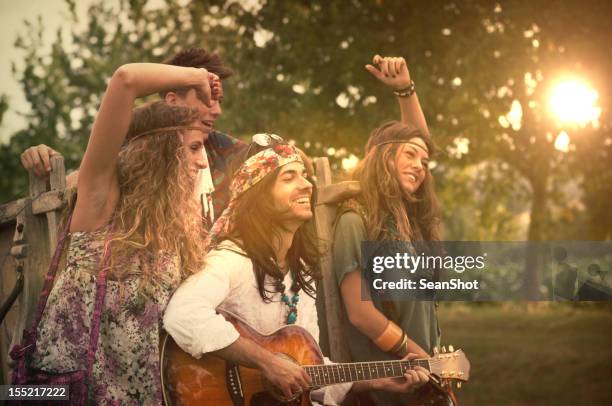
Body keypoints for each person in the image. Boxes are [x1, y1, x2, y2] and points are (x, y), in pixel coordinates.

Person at [163, 135, 430, 405]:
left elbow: (308, 369)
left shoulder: (297, 272)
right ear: (258, 193)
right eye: (289, 177)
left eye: (304, 175)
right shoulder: (231, 259)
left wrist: (380, 380)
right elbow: (182, 315)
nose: (306, 185)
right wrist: (266, 361)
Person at [27, 62, 217, 403]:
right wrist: (197, 77)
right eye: (193, 147)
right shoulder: (101, 202)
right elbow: (125, 80)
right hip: (64, 395)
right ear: (160, 151)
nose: (203, 162)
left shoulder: (177, 232)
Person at [19, 47, 246, 222]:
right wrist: (47, 165)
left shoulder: (225, 150)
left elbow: (269, 161)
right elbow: (77, 185)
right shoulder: (135, 149)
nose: (217, 110)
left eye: (219, 100)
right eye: (208, 98)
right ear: (173, 102)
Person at [332, 56, 445, 405]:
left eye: (424, 163)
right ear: (384, 158)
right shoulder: (355, 220)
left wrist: (406, 91)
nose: (419, 167)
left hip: (426, 373)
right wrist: (419, 356)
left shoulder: (406, 222)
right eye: (409, 155)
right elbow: (361, 313)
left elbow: (419, 140)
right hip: (388, 385)